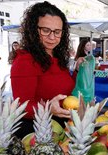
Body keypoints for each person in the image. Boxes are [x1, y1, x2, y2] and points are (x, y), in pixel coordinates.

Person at [10, 1, 79, 139]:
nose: (52, 37)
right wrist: (49, 108)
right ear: (33, 30)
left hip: (60, 127)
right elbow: (21, 107)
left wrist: (77, 70)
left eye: (57, 31)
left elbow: (63, 87)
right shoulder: (25, 61)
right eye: (45, 30)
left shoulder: (57, 56)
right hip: (35, 133)